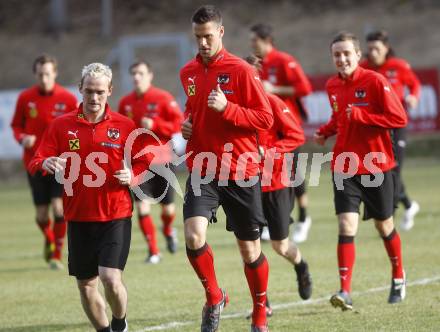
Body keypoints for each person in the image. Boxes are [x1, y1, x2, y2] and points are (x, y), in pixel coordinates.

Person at [29, 63, 149, 332]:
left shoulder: (125, 126)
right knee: (86, 285)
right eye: (89, 92)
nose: (94, 98)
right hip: (78, 216)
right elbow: (36, 159)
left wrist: (134, 176)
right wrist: (44, 162)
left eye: (100, 92)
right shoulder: (61, 126)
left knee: (110, 277)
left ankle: (120, 323)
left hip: (115, 214)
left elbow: (146, 161)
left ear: (110, 91)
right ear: (80, 89)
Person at [180, 5, 273, 332]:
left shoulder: (242, 71)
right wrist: (186, 125)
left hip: (240, 169)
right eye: (197, 37)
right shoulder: (187, 72)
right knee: (193, 236)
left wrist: (229, 108)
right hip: (202, 168)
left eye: (208, 36)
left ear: (220, 32)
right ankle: (214, 295)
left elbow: (265, 119)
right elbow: (192, 109)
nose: (203, 43)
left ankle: (260, 312)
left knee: (250, 251)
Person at [314, 32, 408, 310]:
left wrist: (362, 115)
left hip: (376, 166)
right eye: (336, 55)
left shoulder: (375, 81)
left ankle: (398, 276)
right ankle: (344, 291)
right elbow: (339, 117)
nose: (341, 59)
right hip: (344, 166)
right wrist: (326, 131)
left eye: (346, 54)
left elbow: (398, 117)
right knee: (346, 225)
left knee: (384, 225)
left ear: (358, 55)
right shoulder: (332, 85)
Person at [245, 55, 313, 316]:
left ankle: (301, 265)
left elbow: (296, 135)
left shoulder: (271, 102)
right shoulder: (231, 108)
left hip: (276, 183)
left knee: (280, 245)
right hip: (245, 185)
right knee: (249, 247)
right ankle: (262, 303)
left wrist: (270, 151)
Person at [10, 54, 77, 270]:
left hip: (60, 163)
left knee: (59, 209)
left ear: (55, 73)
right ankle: (49, 238)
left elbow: (76, 127)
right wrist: (22, 138)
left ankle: (56, 253)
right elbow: (16, 126)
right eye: (40, 74)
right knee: (41, 214)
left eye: (48, 74)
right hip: (35, 163)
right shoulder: (25, 98)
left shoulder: (67, 99)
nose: (44, 78)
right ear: (35, 74)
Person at [250, 23, 313, 243]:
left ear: (267, 40)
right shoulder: (257, 65)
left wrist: (275, 90)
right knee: (266, 174)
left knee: (293, 176)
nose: (252, 44)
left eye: (254, 40)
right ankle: (272, 221)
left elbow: (304, 88)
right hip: (265, 129)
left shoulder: (284, 60)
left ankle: (304, 218)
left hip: (287, 126)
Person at [119, 60, 183, 263]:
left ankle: (167, 229)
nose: (136, 77)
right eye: (133, 73)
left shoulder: (162, 98)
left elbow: (179, 124)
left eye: (140, 73)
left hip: (162, 159)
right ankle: (154, 251)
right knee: (142, 207)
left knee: (168, 209)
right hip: (138, 162)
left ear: (150, 75)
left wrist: (155, 124)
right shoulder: (125, 103)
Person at [360, 30, 421, 231]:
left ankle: (390, 218)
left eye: (376, 48)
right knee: (384, 171)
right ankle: (409, 206)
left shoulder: (399, 66)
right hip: (375, 128)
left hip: (396, 125)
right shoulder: (363, 68)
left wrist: (413, 96)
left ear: (386, 48)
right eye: (369, 49)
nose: (373, 52)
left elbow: (414, 85)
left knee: (394, 171)